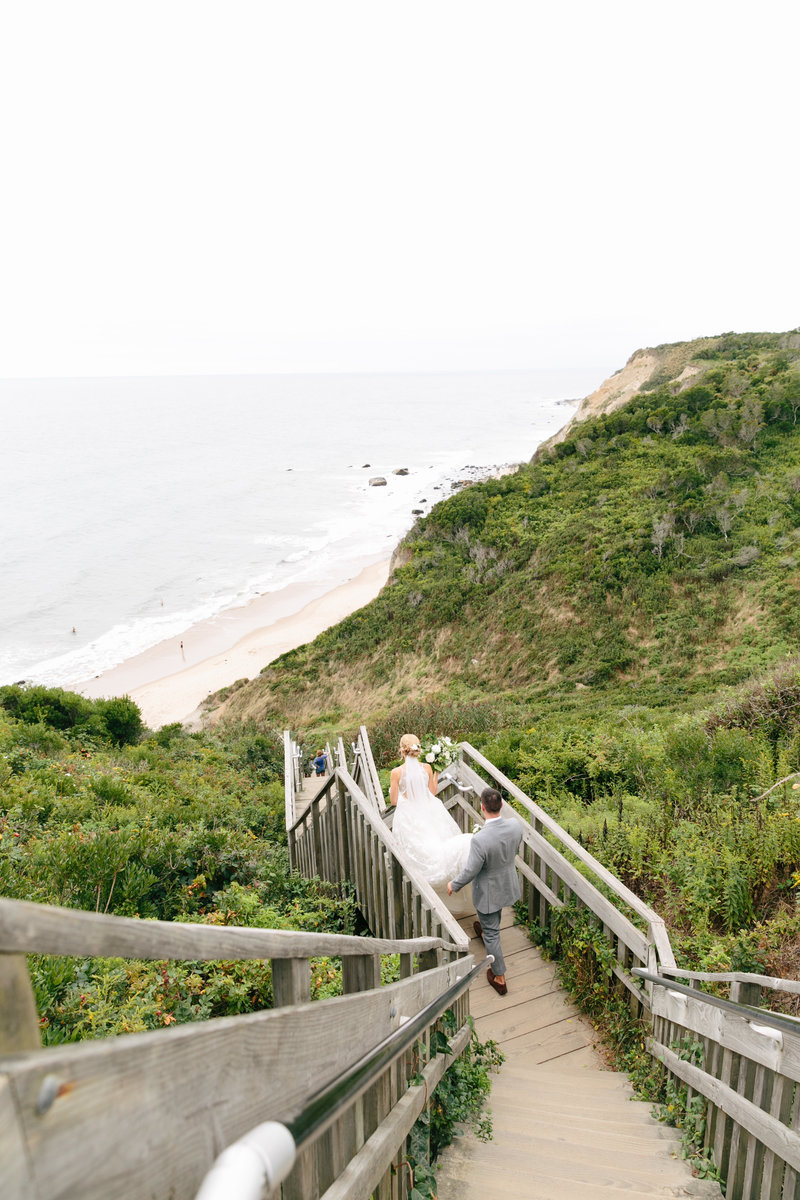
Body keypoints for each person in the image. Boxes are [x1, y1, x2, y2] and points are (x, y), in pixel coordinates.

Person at [448, 787, 522, 997]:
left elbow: (471, 870)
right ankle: (486, 928)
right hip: (507, 883)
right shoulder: (515, 826)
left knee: (492, 933)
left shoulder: (480, 839)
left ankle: (499, 976)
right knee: (491, 919)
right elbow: (515, 846)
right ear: (501, 805)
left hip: (489, 892)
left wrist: (454, 884)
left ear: (482, 808)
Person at [390, 734, 472, 886]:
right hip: (430, 810)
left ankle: (416, 884)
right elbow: (432, 793)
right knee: (436, 838)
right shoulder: (427, 768)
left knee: (417, 846)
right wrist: (436, 772)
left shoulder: (396, 773)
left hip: (409, 814)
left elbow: (394, 801)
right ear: (418, 749)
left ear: (402, 750)